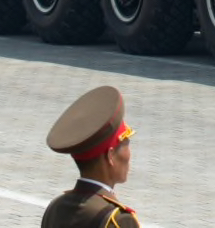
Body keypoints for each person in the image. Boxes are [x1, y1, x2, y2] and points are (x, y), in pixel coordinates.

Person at [42, 86, 141, 227]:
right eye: (126, 143)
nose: (129, 154)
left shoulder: (55, 208)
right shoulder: (119, 220)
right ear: (111, 155)